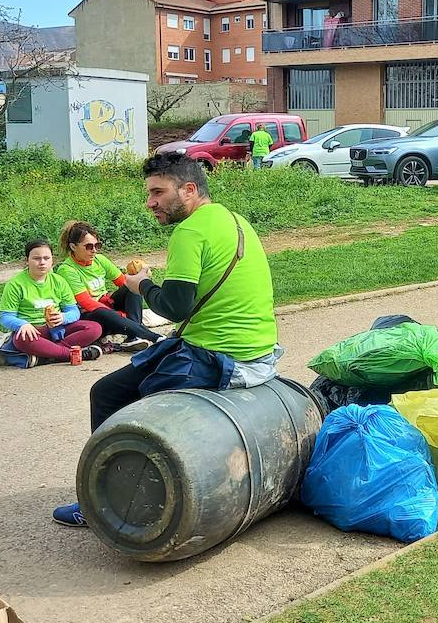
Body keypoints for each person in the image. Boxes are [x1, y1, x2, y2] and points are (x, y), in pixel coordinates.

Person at [53, 154, 281, 527]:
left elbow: (175, 307)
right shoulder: (233, 220)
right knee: (108, 391)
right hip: (254, 348)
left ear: (189, 190)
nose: (150, 202)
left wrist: (141, 284)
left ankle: (109, 500)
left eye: (158, 192)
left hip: (218, 354)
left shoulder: (188, 231)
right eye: (149, 193)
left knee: (139, 415)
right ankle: (101, 488)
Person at [56, 221, 161, 351]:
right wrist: (118, 315)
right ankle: (151, 336)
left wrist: (139, 277)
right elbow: (86, 303)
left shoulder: (100, 259)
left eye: (97, 245)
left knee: (131, 287)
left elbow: (124, 282)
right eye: (88, 246)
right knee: (101, 312)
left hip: (105, 305)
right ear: (73, 247)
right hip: (89, 313)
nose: (94, 250)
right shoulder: (67, 269)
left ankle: (134, 335)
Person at [0, 240, 103, 366]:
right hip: (33, 331)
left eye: (46, 258)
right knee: (21, 339)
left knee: (94, 328)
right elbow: (5, 317)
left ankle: (49, 354)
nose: (42, 262)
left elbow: (74, 311)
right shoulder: (15, 284)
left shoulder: (59, 281)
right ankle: (74, 354)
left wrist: (63, 317)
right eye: (36, 258)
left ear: (52, 260)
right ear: (27, 260)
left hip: (58, 330)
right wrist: (22, 325)